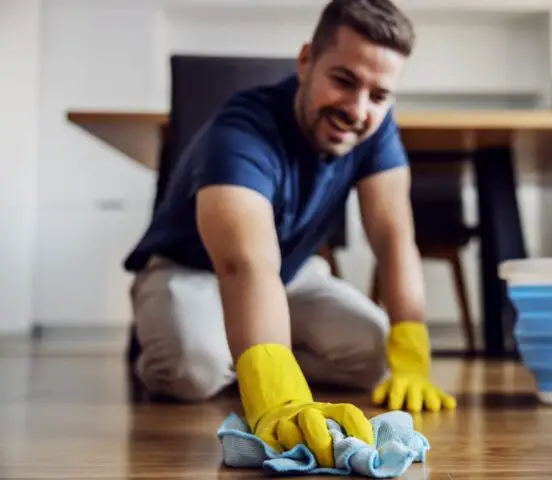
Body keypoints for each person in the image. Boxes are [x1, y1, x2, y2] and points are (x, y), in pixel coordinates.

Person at [123, 0, 455, 466]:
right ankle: (200, 345)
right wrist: (277, 391)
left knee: (374, 358)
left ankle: (242, 349)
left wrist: (412, 349)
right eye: (343, 81)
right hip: (192, 270)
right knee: (192, 371)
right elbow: (244, 264)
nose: (357, 110)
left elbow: (394, 236)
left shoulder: (375, 130)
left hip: (292, 274)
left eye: (379, 95)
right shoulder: (241, 131)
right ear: (306, 61)